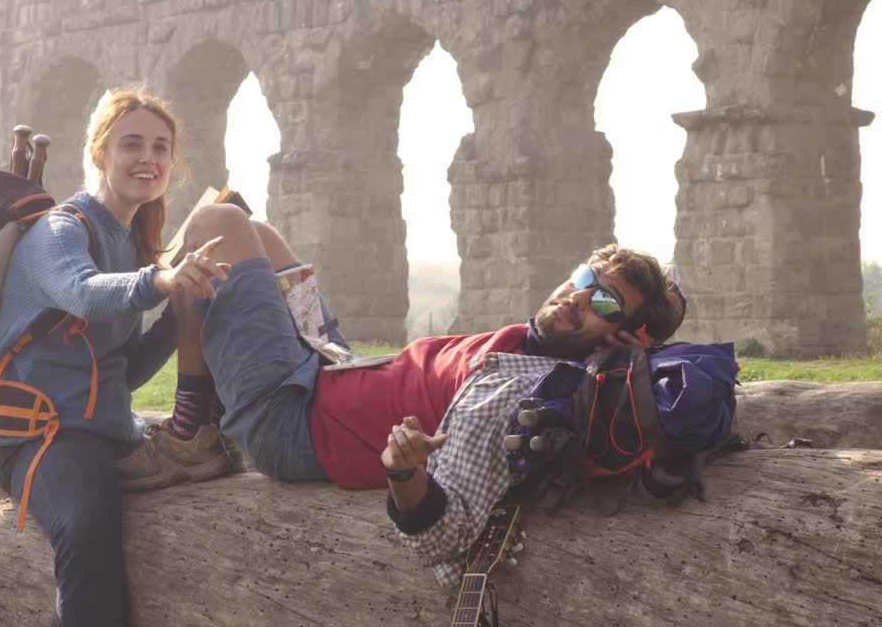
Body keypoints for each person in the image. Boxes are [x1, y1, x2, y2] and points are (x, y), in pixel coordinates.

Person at [117, 204, 687, 584]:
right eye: (585, 278)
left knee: (215, 225)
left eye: (605, 302)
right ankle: (209, 405)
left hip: (291, 419)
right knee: (255, 233)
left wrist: (404, 473)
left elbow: (447, 533)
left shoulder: (516, 388)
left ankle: (193, 429)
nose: (578, 297)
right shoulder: (535, 343)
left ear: (621, 336)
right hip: (329, 362)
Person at [0, 88, 236, 626]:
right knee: (87, 529)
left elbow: (124, 369)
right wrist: (164, 279)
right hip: (40, 431)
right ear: (99, 153)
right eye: (133, 144)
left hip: (97, 426)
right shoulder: (61, 229)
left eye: (161, 148)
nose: (149, 158)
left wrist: (185, 303)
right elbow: (85, 293)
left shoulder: (128, 238)